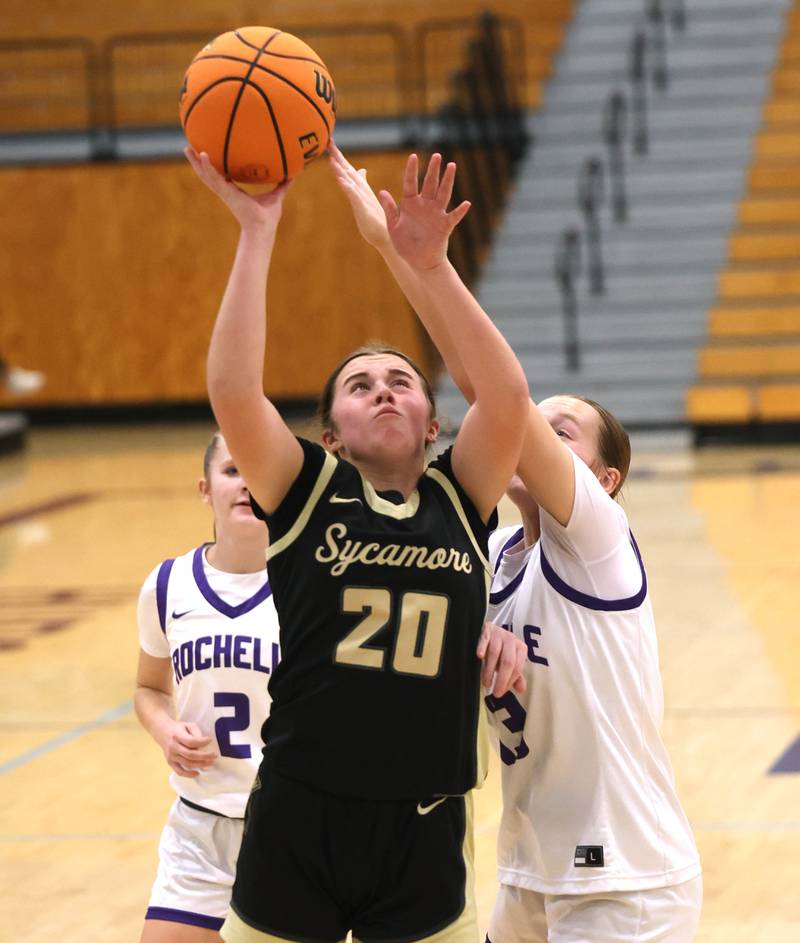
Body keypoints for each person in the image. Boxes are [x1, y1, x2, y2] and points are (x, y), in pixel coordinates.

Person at [329, 145, 702, 941]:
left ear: (602, 480)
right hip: (528, 873)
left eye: (560, 432)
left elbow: (493, 392)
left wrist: (410, 258)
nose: (534, 434)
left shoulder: (600, 545)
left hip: (624, 884)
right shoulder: (498, 553)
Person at [183, 141, 530, 943]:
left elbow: (507, 394)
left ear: (433, 425)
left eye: (402, 380)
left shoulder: (461, 491)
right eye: (360, 384)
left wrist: (427, 264)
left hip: (424, 820)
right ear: (331, 433)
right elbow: (234, 389)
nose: (383, 389)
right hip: (302, 813)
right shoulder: (306, 488)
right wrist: (257, 231)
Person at [135, 431, 280, 942]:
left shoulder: (314, 586)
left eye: (258, 470)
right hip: (200, 827)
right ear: (205, 488)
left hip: (292, 828)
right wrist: (165, 731)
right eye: (231, 471)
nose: (245, 485)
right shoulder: (168, 584)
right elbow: (148, 689)